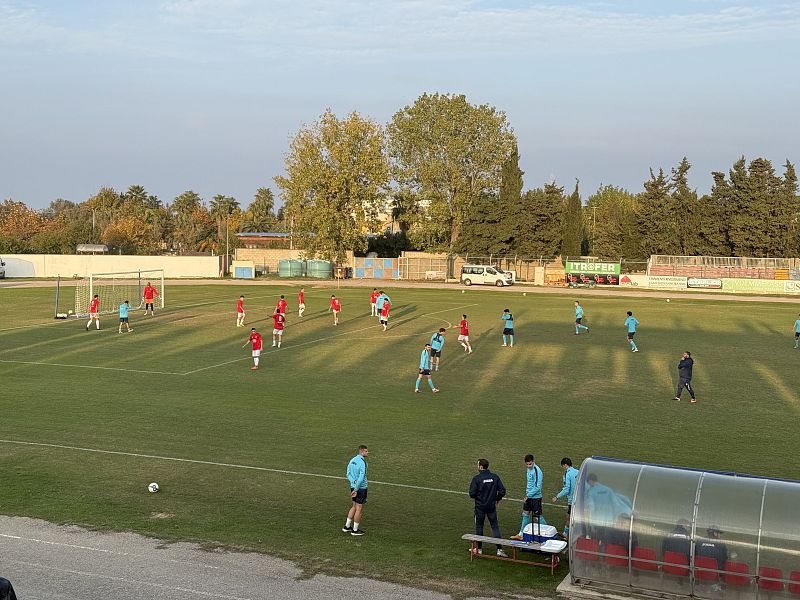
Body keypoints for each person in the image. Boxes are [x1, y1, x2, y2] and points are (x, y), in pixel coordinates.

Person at [468, 458, 508, 557]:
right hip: (491, 507)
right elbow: (502, 491)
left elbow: (471, 494)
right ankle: (499, 549)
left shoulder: (477, 479)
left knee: (479, 527)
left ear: (481, 467)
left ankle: (479, 549)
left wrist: (479, 495)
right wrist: (497, 499)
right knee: (495, 527)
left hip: (480, 507)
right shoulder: (495, 477)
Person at [510, 454, 543, 541]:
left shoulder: (537, 471)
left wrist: (528, 495)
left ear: (533, 462)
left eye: (530, 464)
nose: (529, 466)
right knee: (525, 514)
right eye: (527, 464)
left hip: (535, 497)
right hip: (529, 497)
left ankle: (546, 533)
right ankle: (521, 534)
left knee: (537, 517)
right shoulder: (528, 469)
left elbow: (537, 487)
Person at [343, 444, 369, 536]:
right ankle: (355, 530)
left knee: (353, 506)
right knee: (359, 509)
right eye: (366, 451)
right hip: (361, 488)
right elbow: (361, 477)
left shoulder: (352, 460)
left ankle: (346, 527)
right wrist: (357, 488)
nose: (367, 452)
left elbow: (348, 474)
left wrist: (353, 483)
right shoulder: (363, 462)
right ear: (362, 451)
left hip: (353, 486)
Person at [552, 457, 579, 538]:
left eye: (563, 466)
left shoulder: (568, 474)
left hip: (572, 500)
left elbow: (567, 489)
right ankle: (566, 533)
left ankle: (567, 534)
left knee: (569, 518)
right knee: (573, 517)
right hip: (579, 498)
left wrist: (557, 497)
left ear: (565, 465)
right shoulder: (578, 471)